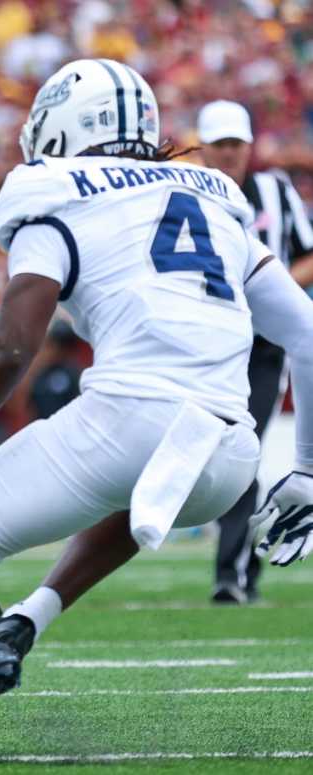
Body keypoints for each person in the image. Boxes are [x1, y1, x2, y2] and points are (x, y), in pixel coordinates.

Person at [0, 59, 313, 755]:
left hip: (131, 415)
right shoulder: (216, 192)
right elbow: (305, 331)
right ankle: (26, 621)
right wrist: (305, 469)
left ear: (69, 124)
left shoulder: (52, 188)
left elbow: (11, 344)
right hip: (228, 455)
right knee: (132, 496)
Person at [196, 100, 313, 604]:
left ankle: (234, 572)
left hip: (263, 347)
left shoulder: (275, 192)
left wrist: (268, 289)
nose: (228, 153)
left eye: (235, 144)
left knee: (245, 448)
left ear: (248, 146)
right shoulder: (186, 191)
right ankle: (236, 568)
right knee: (213, 451)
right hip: (208, 342)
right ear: (202, 148)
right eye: (219, 144)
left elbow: (307, 254)